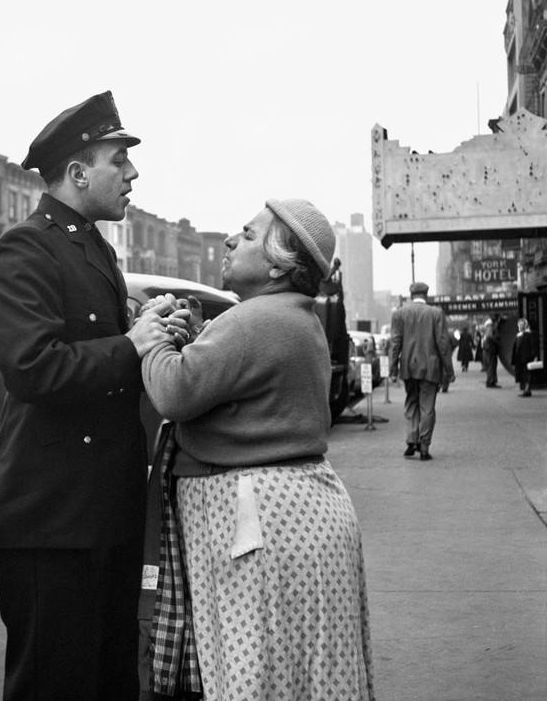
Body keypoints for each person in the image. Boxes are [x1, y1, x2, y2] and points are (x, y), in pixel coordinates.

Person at [0, 91, 186, 701]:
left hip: (101, 513)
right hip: (51, 522)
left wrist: (156, 332)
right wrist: (132, 342)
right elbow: (32, 367)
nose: (132, 174)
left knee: (109, 679)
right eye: (118, 160)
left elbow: (102, 345)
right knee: (55, 684)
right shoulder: (27, 247)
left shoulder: (93, 246)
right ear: (77, 173)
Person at [141, 199, 375, 700]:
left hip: (258, 524)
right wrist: (203, 337)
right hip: (297, 514)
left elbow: (174, 392)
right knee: (301, 669)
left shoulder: (253, 320)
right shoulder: (290, 316)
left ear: (277, 265)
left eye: (247, 235)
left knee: (258, 668)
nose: (229, 240)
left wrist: (151, 339)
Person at [389, 281, 455, 461]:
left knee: (411, 402)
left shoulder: (400, 314)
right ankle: (424, 446)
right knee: (427, 407)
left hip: (409, 366)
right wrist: (449, 370)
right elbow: (443, 344)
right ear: (426, 295)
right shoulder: (436, 313)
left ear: (411, 295)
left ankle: (411, 440)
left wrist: (393, 369)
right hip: (430, 368)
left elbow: (395, 343)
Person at [511, 317, 538, 397]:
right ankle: (526, 389)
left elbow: (533, 346)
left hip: (527, 358)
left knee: (527, 374)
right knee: (523, 374)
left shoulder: (529, 334)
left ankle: (527, 390)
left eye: (520, 325)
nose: (518, 327)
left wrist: (535, 357)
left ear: (524, 326)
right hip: (520, 359)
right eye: (518, 325)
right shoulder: (519, 335)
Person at [482, 316, 500, 388]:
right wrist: (497, 340)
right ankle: (490, 382)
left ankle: (492, 381)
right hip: (490, 351)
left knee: (491, 366)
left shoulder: (488, 328)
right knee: (491, 366)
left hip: (489, 350)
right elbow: (491, 337)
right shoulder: (490, 327)